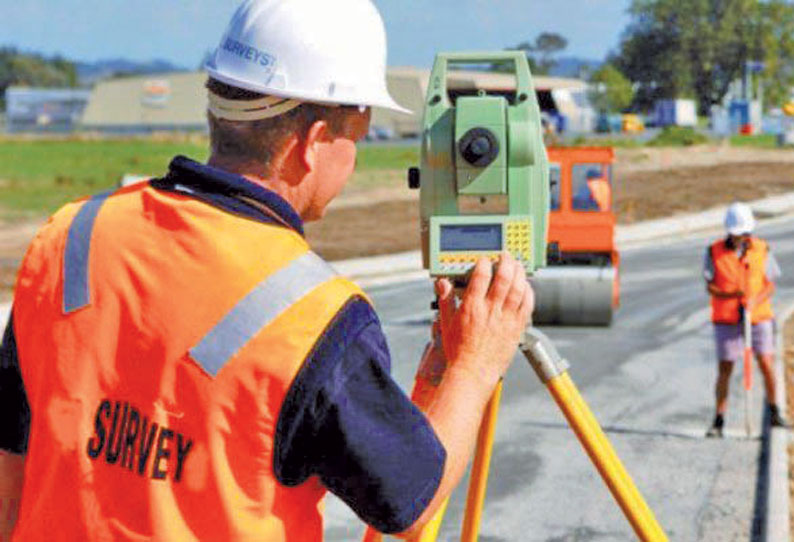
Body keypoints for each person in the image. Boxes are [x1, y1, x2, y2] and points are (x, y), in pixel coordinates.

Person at [0, 0, 534, 540]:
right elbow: (410, 501)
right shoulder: (313, 316)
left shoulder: (69, 237)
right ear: (314, 142)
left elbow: (11, 466)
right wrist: (475, 365)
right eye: (358, 138)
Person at [704, 202, 788, 438]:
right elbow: (710, 286)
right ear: (729, 231)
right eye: (739, 232)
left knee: (766, 363)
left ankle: (774, 412)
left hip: (758, 316)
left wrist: (754, 300)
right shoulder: (714, 251)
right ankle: (718, 420)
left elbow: (770, 284)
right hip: (727, 319)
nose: (743, 236)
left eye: (746, 232)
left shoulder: (762, 249)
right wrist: (734, 296)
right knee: (725, 368)